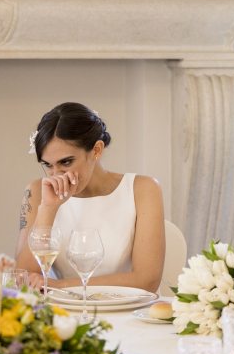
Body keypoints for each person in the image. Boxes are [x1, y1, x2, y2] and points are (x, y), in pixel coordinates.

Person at [15, 102, 165, 293]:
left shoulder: (143, 189)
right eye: (48, 165)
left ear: (96, 150)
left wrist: (60, 285)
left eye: (66, 162)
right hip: (62, 315)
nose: (56, 175)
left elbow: (147, 280)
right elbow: (21, 278)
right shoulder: (37, 192)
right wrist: (48, 208)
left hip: (127, 311)